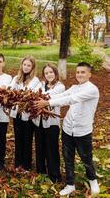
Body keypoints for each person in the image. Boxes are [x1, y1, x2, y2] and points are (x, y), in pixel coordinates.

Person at [35, 62, 100, 196]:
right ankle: (70, 184)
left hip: (83, 131)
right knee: (68, 158)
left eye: (83, 72)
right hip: (68, 128)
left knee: (86, 158)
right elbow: (63, 95)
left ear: (89, 74)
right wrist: (43, 98)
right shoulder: (75, 87)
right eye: (78, 72)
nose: (80, 75)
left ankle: (93, 180)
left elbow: (70, 100)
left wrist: (47, 103)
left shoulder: (92, 89)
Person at [32, 64, 64, 182]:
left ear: (55, 73)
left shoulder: (60, 86)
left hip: (51, 123)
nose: (49, 75)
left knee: (52, 149)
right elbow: (33, 94)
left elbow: (48, 97)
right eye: (46, 73)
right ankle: (41, 171)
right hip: (38, 122)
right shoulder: (41, 84)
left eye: (51, 72)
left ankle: (54, 175)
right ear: (44, 75)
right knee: (39, 147)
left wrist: (41, 99)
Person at [10, 56, 40, 171]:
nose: (26, 67)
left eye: (29, 65)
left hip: (28, 115)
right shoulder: (16, 78)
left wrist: (18, 94)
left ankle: (26, 165)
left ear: (32, 67)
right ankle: (18, 164)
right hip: (17, 113)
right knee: (18, 138)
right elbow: (11, 91)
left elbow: (28, 94)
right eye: (24, 65)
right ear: (21, 66)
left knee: (27, 139)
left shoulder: (35, 80)